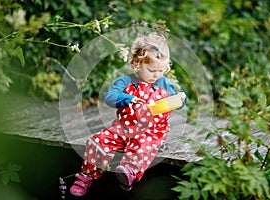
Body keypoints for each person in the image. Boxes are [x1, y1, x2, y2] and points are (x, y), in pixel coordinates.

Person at [70, 32, 187, 196]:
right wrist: (128, 99)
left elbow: (177, 103)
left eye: (161, 70)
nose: (156, 75)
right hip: (125, 127)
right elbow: (109, 98)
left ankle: (128, 172)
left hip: (151, 131)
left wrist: (181, 99)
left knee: (143, 145)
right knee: (99, 141)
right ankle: (86, 176)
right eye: (152, 70)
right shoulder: (125, 81)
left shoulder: (165, 84)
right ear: (137, 64)